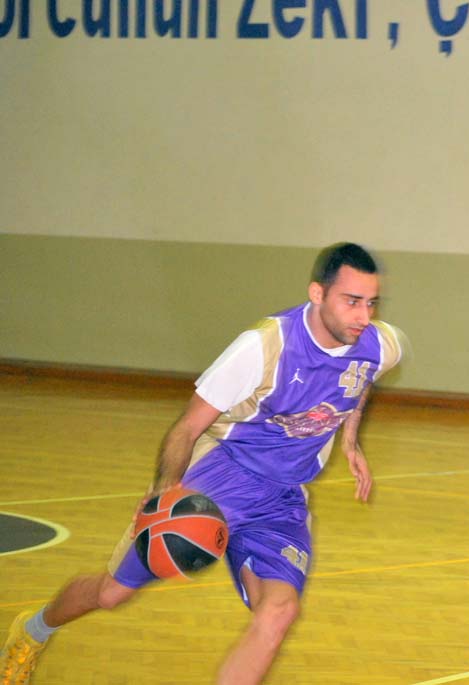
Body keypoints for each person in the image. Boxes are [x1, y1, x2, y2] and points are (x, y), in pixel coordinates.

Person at [1, 242, 405, 685]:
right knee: (112, 593)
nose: (363, 316)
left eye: (371, 303)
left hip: (282, 499)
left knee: (279, 611)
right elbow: (187, 427)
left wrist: (350, 439)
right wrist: (163, 493)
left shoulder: (380, 344)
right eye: (352, 301)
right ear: (317, 293)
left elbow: (361, 379)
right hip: (217, 477)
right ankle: (34, 630)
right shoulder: (263, 347)